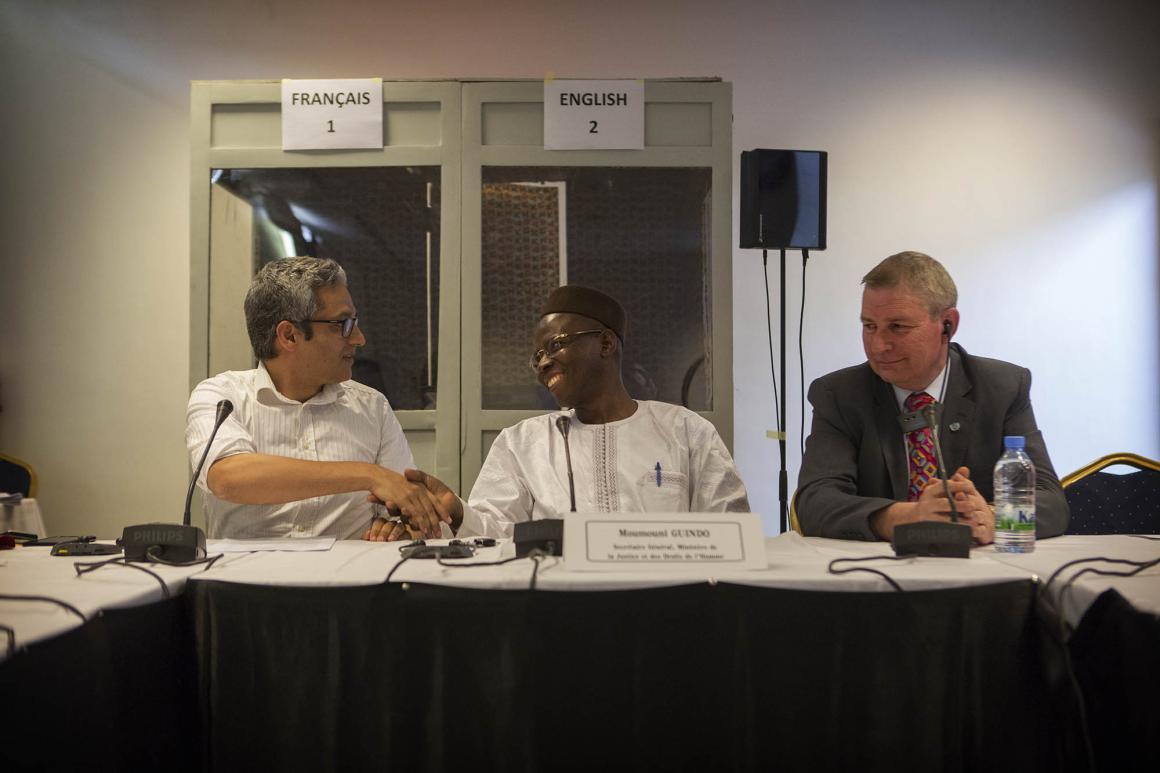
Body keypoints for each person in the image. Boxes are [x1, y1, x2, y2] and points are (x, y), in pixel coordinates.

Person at [366, 285, 749, 540]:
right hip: (558, 613)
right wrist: (460, 514)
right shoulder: (522, 442)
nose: (543, 363)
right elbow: (498, 534)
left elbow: (731, 531)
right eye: (537, 356)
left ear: (605, 344)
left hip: (670, 612)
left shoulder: (686, 431)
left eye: (555, 345)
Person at [795, 251, 1068, 543]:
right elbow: (815, 502)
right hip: (875, 566)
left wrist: (992, 516)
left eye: (898, 327)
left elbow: (1051, 502)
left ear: (947, 324)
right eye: (869, 326)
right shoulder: (838, 394)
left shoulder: (1003, 387)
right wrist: (906, 517)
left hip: (977, 566)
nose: (878, 346)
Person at [186, 257, 452, 539]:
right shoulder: (222, 397)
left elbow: (412, 512)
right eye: (343, 324)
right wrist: (370, 475)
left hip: (350, 568)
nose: (359, 338)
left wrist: (399, 529)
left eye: (355, 323)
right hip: (248, 568)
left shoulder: (372, 408)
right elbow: (228, 478)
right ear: (289, 335)